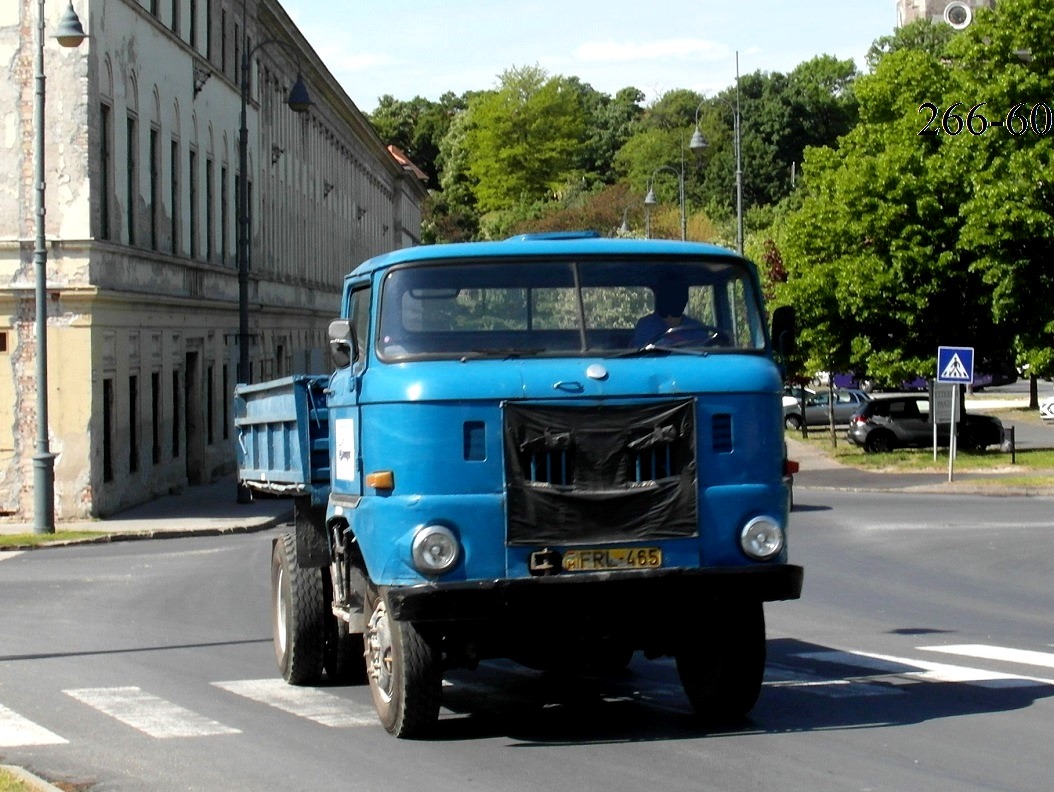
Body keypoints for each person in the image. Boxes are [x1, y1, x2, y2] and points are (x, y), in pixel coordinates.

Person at [631, 276, 702, 347]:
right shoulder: (645, 326)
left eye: (678, 294)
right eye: (668, 294)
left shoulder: (696, 328)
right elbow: (640, 354)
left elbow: (704, 351)